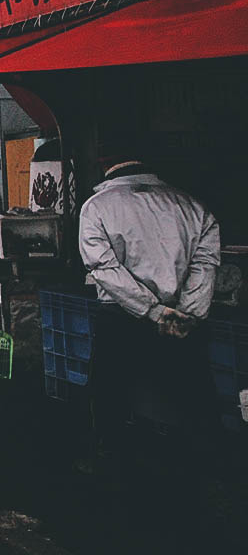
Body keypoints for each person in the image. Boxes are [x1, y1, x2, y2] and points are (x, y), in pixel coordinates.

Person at [78, 149, 221, 458]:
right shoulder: (193, 207)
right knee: (191, 401)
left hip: (121, 318)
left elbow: (104, 269)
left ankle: (110, 460)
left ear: (104, 164)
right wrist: (188, 314)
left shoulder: (97, 207)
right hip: (182, 321)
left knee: (110, 398)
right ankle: (201, 467)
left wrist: (153, 311)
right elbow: (205, 265)